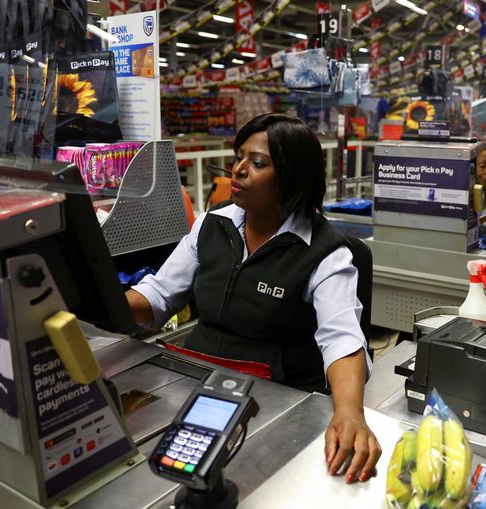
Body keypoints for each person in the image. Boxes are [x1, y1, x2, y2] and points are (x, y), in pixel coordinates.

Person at [126, 113, 381, 483]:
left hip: (273, 396)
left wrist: (350, 413)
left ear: (291, 178)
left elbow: (341, 338)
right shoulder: (211, 225)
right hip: (198, 381)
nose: (239, 171)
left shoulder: (324, 252)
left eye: (257, 163)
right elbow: (159, 294)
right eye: (238, 157)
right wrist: (99, 301)